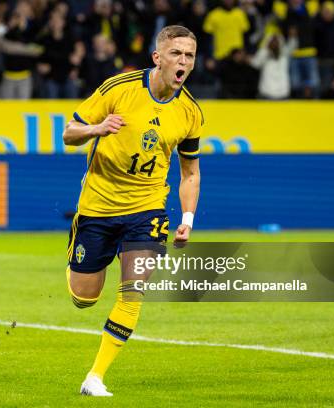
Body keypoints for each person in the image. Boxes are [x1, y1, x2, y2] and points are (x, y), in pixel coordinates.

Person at [62, 25, 202, 396]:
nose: (183, 62)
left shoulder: (190, 112)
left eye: (189, 55)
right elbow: (68, 132)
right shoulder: (119, 88)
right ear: (158, 57)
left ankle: (95, 377)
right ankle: (81, 264)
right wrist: (97, 129)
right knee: (84, 298)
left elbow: (190, 172)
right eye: (176, 54)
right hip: (98, 206)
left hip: (148, 209)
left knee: (133, 292)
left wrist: (187, 220)